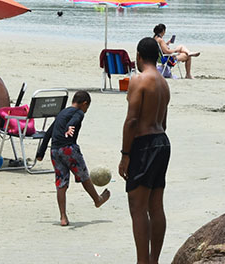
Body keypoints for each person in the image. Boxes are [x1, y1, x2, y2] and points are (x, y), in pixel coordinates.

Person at [120, 37, 171, 264]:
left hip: (145, 144)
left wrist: (125, 155)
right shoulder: (163, 83)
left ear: (139, 56)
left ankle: (142, 261)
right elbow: (165, 122)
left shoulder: (139, 80)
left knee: (137, 206)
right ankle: (154, 260)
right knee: (156, 204)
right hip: (162, 141)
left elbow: (131, 121)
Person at [51, 90, 111, 226]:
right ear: (84, 104)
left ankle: (63, 217)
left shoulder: (62, 113)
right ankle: (97, 199)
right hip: (69, 149)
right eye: (87, 107)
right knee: (84, 176)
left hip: (54, 150)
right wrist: (69, 127)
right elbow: (75, 120)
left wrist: (40, 152)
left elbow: (50, 131)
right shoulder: (79, 112)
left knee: (61, 183)